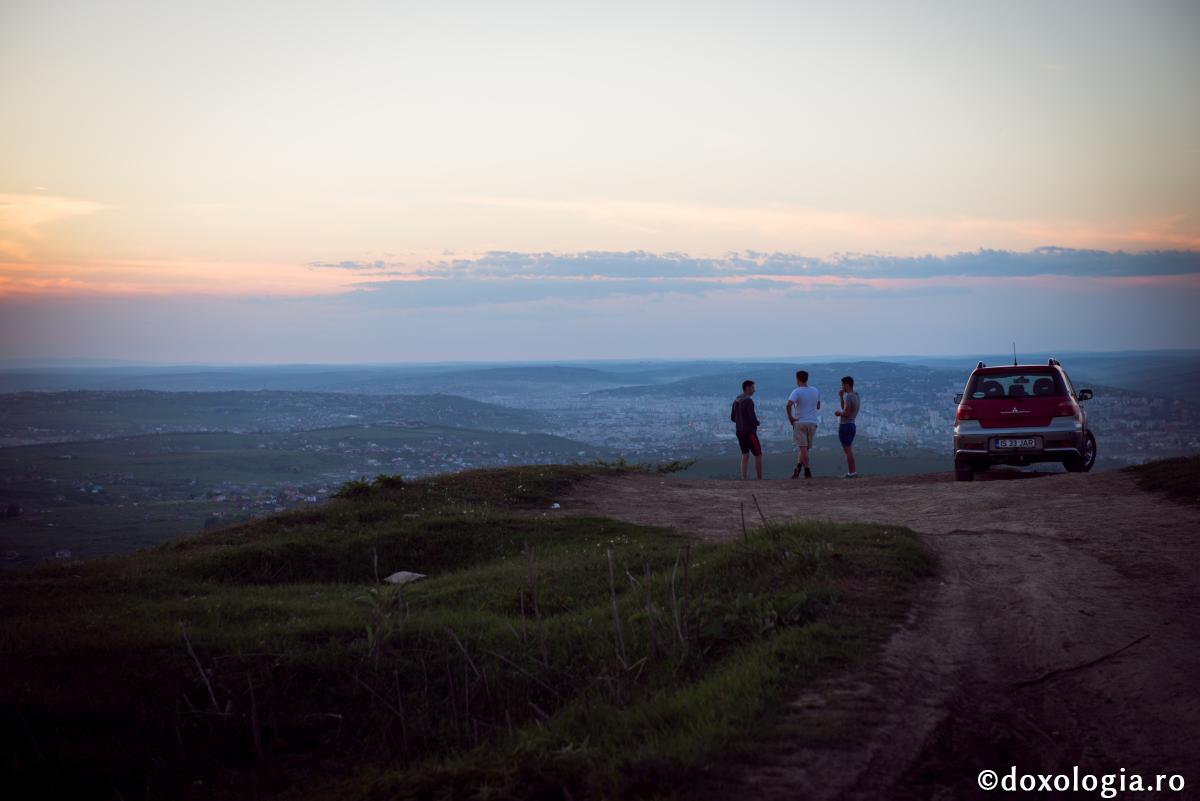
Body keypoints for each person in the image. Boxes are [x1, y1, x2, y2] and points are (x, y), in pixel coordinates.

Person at [785, 370, 820, 479]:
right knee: (805, 449)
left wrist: (791, 418)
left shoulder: (796, 391)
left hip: (800, 422)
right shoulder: (815, 390)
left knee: (803, 448)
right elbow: (818, 406)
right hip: (813, 422)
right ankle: (798, 467)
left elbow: (788, 404)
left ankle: (807, 471)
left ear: (797, 379)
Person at [730, 380, 763, 480]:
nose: (754, 390)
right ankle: (759, 478)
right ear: (747, 388)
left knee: (745, 454)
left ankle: (743, 478)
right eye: (753, 388)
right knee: (758, 454)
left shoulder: (736, 401)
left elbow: (732, 418)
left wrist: (740, 421)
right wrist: (757, 423)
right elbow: (752, 418)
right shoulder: (748, 401)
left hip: (739, 432)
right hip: (749, 432)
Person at [834, 375, 859, 478]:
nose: (841, 387)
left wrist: (838, 413)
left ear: (846, 384)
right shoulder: (856, 395)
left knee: (847, 451)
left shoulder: (848, 396)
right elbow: (845, 408)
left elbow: (846, 412)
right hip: (852, 425)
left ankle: (852, 473)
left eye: (842, 384)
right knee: (849, 450)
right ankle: (852, 472)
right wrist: (840, 397)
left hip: (845, 425)